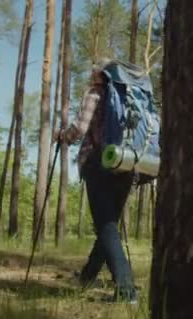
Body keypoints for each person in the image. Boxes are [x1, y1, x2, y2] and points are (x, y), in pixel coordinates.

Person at [56, 61, 137, 304]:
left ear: (98, 74)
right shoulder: (128, 95)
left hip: (99, 163)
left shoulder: (95, 93)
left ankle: (126, 291)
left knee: (106, 228)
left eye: (92, 69)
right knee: (108, 225)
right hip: (126, 163)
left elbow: (80, 129)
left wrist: (63, 136)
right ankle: (87, 278)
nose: (90, 73)